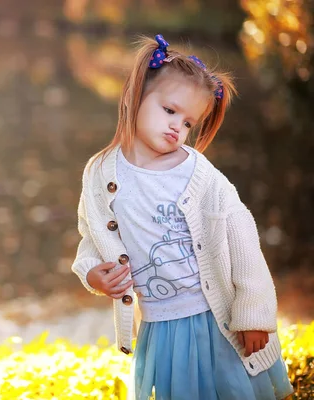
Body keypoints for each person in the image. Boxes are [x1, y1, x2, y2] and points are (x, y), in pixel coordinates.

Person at [71, 34, 294, 400]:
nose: (178, 127)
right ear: (136, 95)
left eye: (189, 123)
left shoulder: (199, 175)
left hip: (213, 316)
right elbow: (91, 235)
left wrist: (253, 314)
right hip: (160, 322)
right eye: (170, 111)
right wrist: (93, 273)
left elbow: (242, 240)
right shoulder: (100, 172)